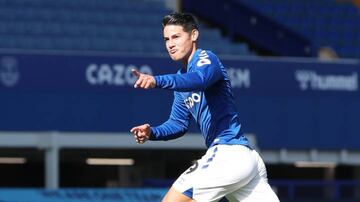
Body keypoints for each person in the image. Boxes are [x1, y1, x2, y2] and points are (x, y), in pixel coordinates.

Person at [130, 12, 279, 202]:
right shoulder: (182, 80)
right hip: (244, 160)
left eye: (176, 37)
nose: (170, 44)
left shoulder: (206, 58)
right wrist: (152, 132)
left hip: (229, 154)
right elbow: (177, 124)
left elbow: (200, 80)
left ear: (194, 35)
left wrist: (157, 80)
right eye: (166, 39)